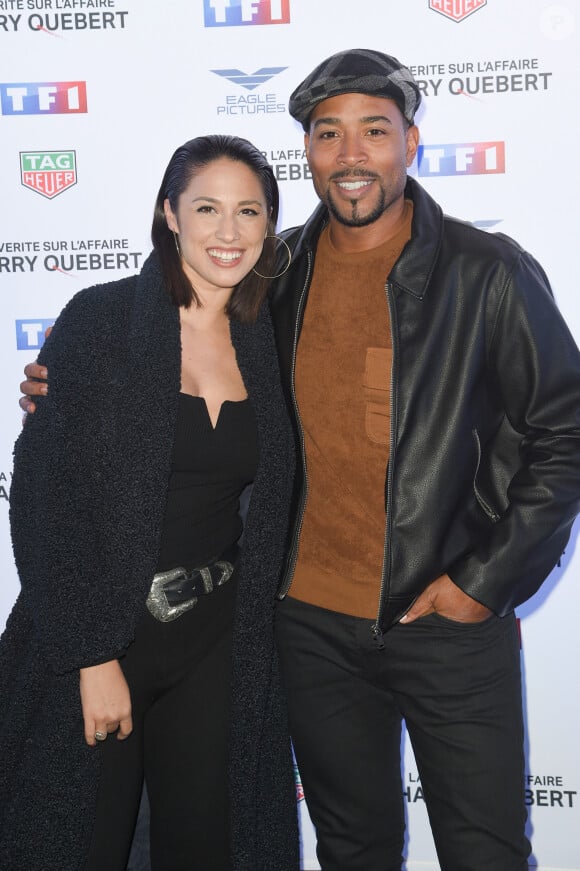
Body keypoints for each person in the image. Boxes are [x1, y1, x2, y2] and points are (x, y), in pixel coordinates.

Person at [18, 48, 580, 871]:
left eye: (374, 131)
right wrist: (59, 386)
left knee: (486, 850)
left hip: (445, 620)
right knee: (351, 847)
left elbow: (564, 432)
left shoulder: (485, 272)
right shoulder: (274, 274)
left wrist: (480, 585)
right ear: (308, 152)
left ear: (411, 143)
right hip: (307, 625)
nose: (352, 155)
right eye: (329, 134)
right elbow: (150, 375)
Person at [2, 134, 299, 871]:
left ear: (269, 226)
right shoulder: (101, 321)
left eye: (249, 212)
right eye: (207, 208)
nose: (228, 232)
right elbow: (43, 496)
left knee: (209, 846)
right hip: (104, 629)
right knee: (82, 842)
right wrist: (91, 652)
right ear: (169, 214)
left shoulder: (269, 336)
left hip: (218, 637)